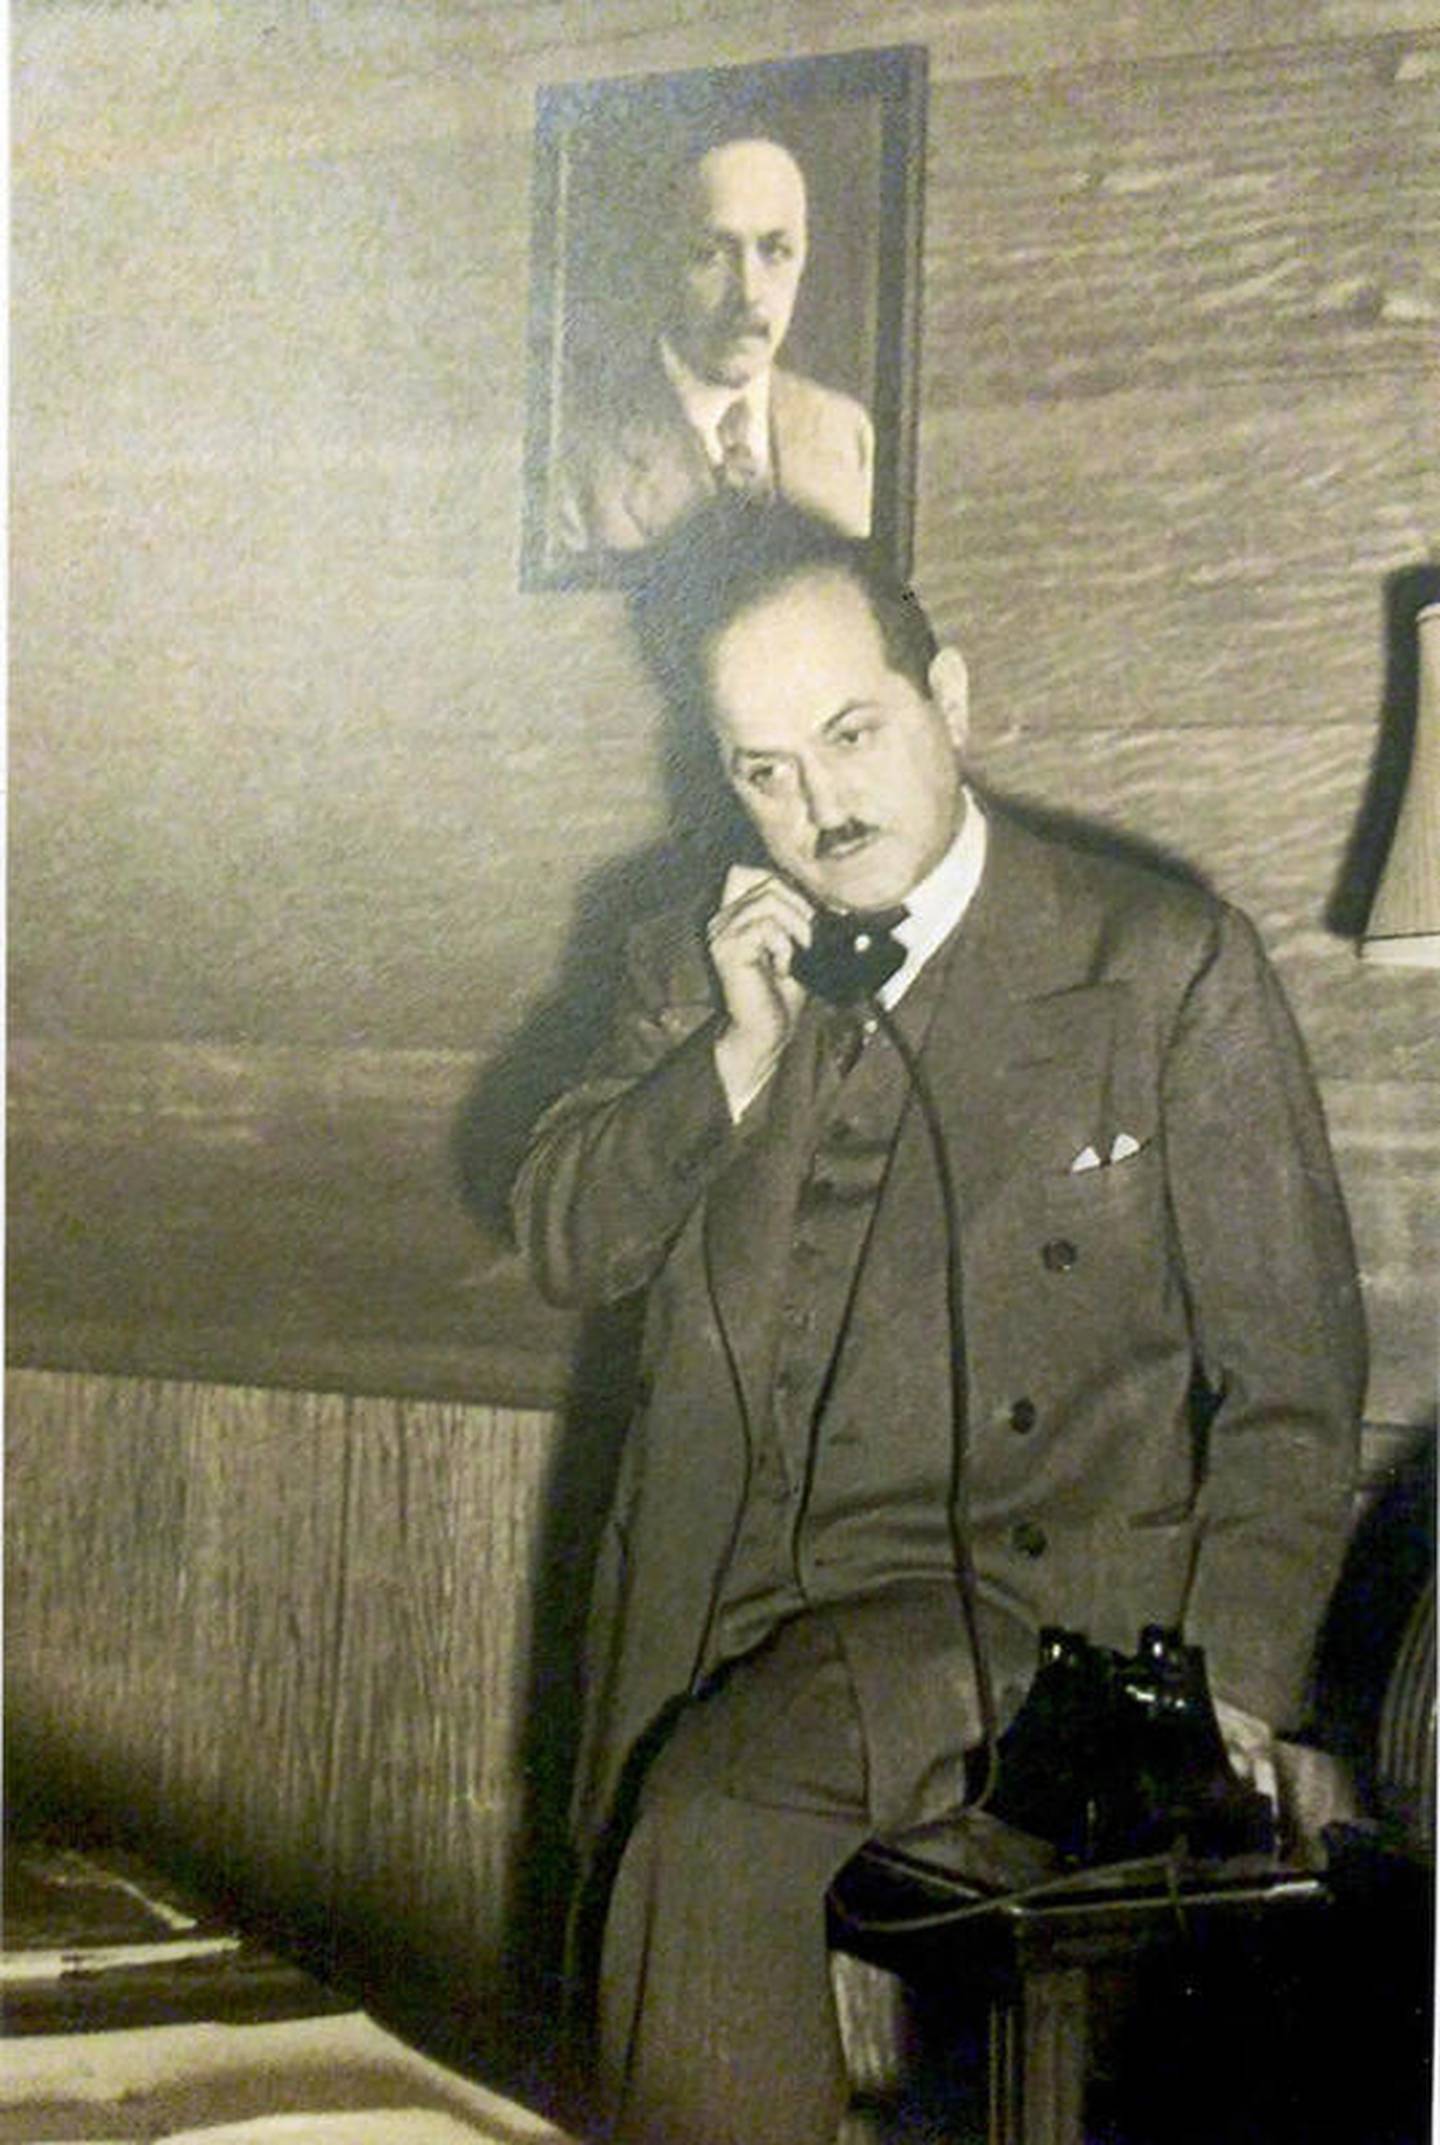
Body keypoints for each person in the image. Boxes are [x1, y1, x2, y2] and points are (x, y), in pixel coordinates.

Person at [510, 506, 1366, 2144]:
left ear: (949, 700)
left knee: (719, 1813)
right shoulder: (687, 964)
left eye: (852, 734)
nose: (819, 807)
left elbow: (1296, 1383)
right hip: (711, 1598)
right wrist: (727, 1070)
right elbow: (565, 1239)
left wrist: (1234, 1698)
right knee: (621, 1899)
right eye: (763, 769)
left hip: (1025, 1619)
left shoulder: (1157, 967)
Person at [552, 135, 873, 559]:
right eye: (711, 255)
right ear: (662, 261)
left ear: (804, 256)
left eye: (776, 251)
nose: (750, 293)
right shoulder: (575, 468)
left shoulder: (847, 435)